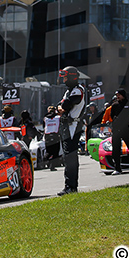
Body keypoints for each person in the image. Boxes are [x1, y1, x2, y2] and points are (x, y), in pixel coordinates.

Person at [56, 66, 87, 196]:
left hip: (73, 125)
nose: (64, 79)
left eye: (66, 76)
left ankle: (71, 187)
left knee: (70, 157)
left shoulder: (78, 90)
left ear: (73, 77)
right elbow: (58, 105)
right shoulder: (69, 91)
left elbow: (65, 105)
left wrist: (62, 108)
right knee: (67, 157)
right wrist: (61, 108)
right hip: (66, 126)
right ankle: (69, 186)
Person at [43, 106, 61, 171]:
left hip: (47, 136)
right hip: (55, 135)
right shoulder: (58, 117)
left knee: (48, 151)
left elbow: (43, 126)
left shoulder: (45, 118)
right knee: (55, 152)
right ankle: (52, 166)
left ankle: (44, 159)